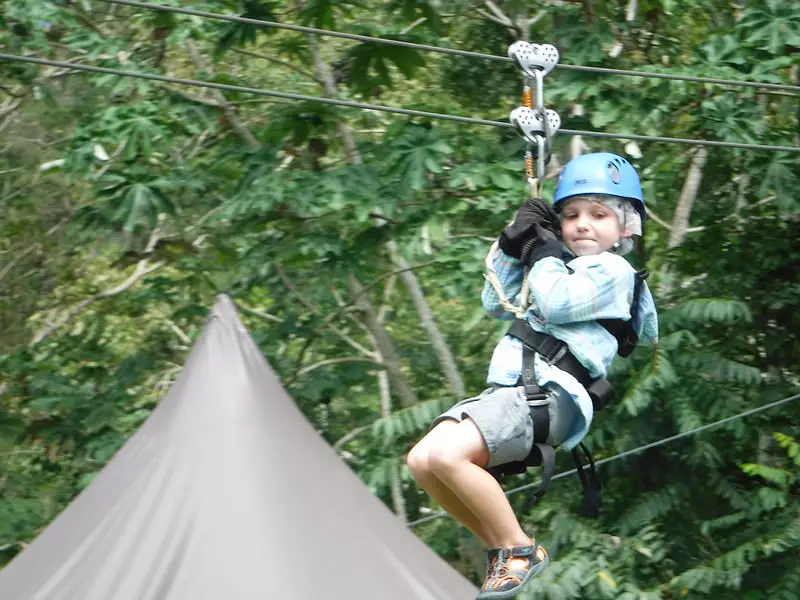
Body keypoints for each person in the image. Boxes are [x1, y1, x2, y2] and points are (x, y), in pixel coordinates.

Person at [406, 152, 659, 599]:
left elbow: (558, 301)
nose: (582, 224)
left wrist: (542, 250)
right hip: (514, 393)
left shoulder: (613, 271)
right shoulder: (558, 266)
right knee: (423, 462)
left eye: (599, 215)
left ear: (626, 228)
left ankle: (519, 548)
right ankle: (504, 551)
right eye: (572, 215)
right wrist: (512, 244)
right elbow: (495, 300)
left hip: (549, 394)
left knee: (447, 457)